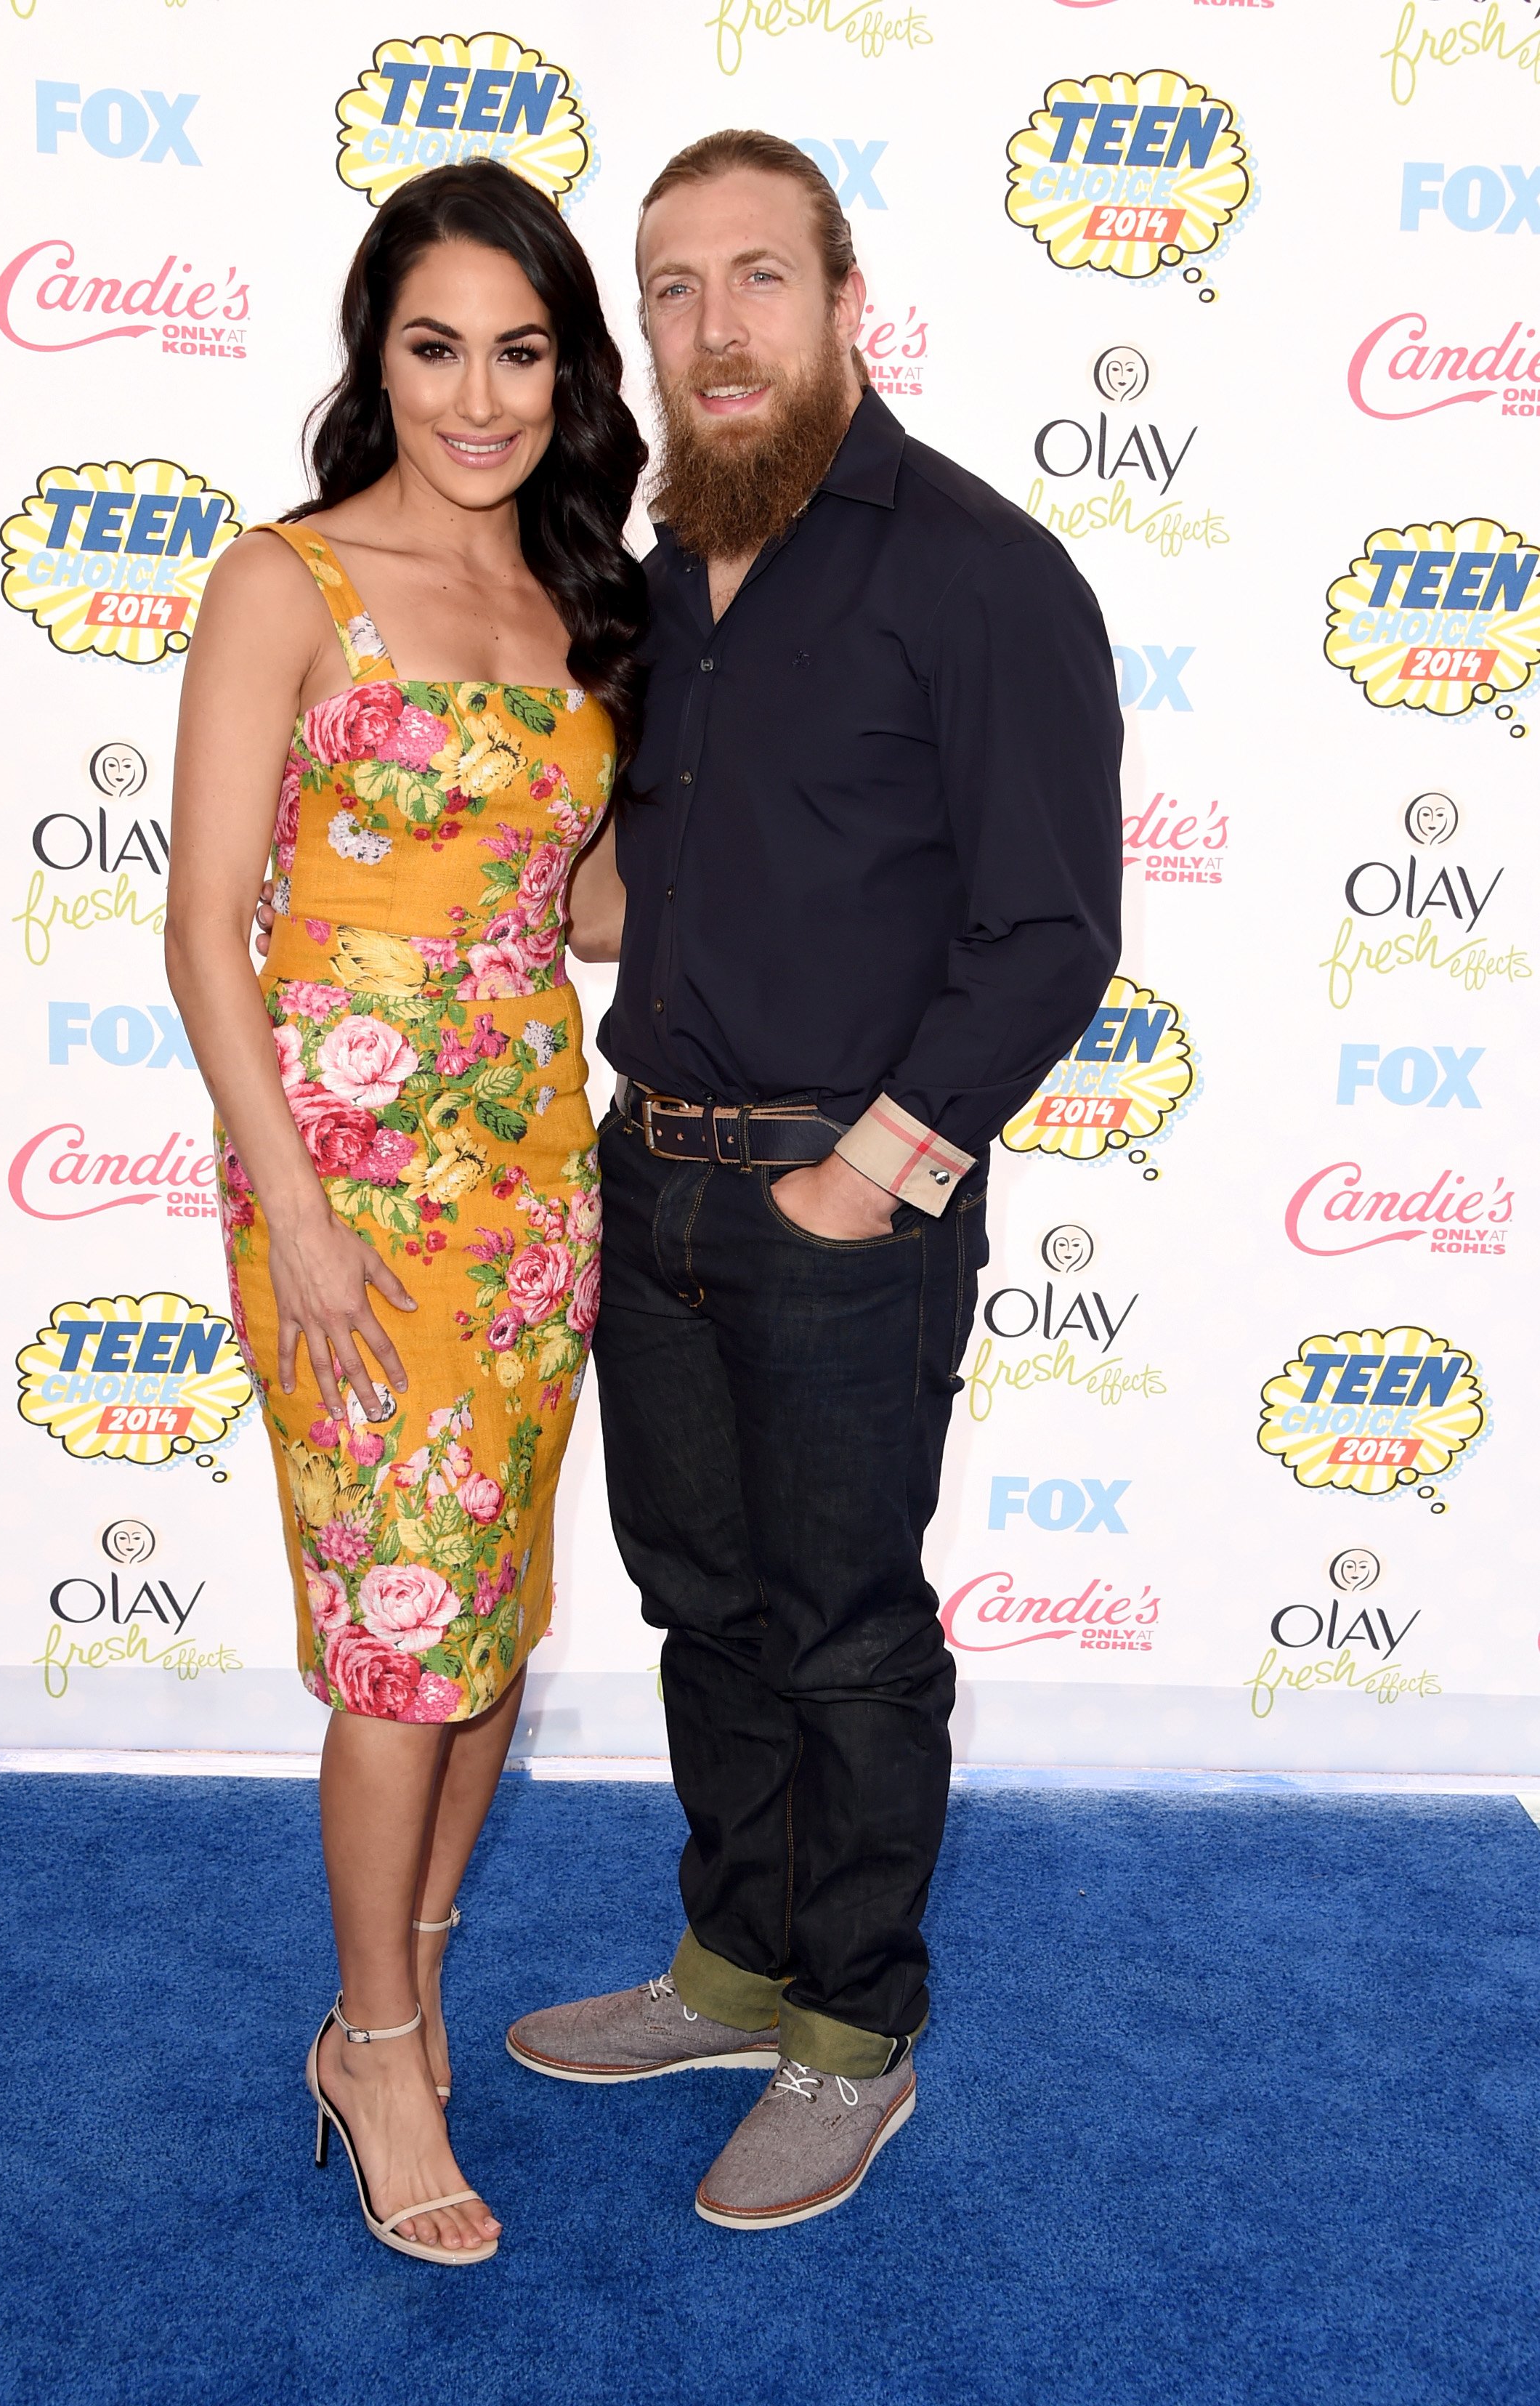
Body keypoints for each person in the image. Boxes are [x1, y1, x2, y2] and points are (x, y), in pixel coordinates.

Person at [503, 131, 1123, 2229]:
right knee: (704, 1608)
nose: (713, 328)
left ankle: (853, 2034)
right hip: (646, 1184)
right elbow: (656, 886)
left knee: (846, 1632)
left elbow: (1047, 932)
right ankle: (732, 1966)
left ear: (844, 296)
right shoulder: (667, 577)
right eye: (670, 290)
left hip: (836, 1211)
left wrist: (873, 1174)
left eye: (754, 278)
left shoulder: (975, 569)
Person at [166, 160, 646, 2266]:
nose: (478, 395)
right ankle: (370, 2045)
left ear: (568, 368)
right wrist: (301, 1213)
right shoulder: (285, 578)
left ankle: (420, 1975)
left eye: (520, 350)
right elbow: (201, 932)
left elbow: (591, 911)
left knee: (489, 1631)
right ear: (376, 351)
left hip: (533, 1175)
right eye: (435, 345)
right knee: (396, 1644)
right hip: (342, 1189)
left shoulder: (574, 597)